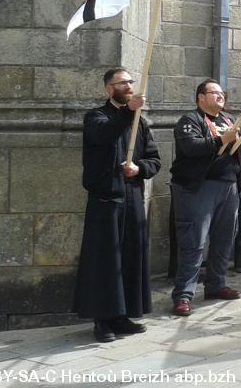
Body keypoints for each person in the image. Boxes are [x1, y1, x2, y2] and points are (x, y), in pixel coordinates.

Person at [73, 68, 161, 343]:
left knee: (130, 258)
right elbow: (104, 136)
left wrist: (138, 168)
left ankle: (123, 314)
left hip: (132, 198)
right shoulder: (96, 117)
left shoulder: (140, 123)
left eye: (130, 82)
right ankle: (103, 319)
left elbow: (154, 160)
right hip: (106, 199)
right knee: (105, 261)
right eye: (123, 83)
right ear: (109, 89)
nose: (129, 86)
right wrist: (127, 113)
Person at [169, 79, 241, 316]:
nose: (220, 96)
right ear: (200, 97)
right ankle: (183, 294)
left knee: (224, 238)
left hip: (228, 186)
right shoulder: (190, 121)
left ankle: (216, 284)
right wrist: (221, 140)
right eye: (214, 93)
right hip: (199, 188)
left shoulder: (228, 121)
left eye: (222, 93)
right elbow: (191, 148)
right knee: (194, 241)